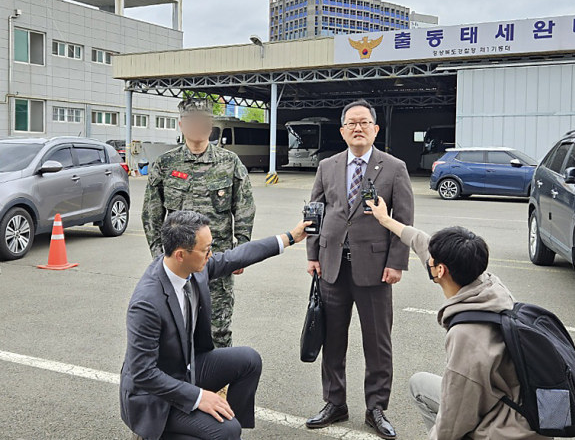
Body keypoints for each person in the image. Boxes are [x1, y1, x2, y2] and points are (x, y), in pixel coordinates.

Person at [365, 197, 549, 440]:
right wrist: (385, 220)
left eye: (432, 261)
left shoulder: (466, 335)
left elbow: (454, 418)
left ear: (440, 271)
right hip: (521, 409)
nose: (427, 260)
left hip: (506, 432)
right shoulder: (490, 286)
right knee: (420, 383)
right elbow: (421, 241)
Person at [121, 210, 310, 440]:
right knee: (226, 431)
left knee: (248, 361)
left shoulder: (193, 270)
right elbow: (143, 373)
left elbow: (237, 256)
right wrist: (199, 397)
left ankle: (221, 428)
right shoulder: (147, 303)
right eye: (206, 250)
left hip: (185, 369)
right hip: (154, 398)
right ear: (180, 254)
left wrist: (290, 237)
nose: (211, 255)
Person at [305, 99, 414, 439]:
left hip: (376, 269)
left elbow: (404, 218)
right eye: (351, 123)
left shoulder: (393, 167)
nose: (357, 128)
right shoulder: (328, 166)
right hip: (332, 268)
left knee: (377, 344)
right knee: (332, 341)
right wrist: (313, 254)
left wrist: (397, 262)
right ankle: (334, 402)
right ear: (342, 130)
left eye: (364, 122)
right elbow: (315, 212)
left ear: (375, 129)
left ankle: (376, 408)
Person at [142, 97, 255, 349]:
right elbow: (151, 213)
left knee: (219, 327)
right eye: (191, 121)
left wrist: (241, 251)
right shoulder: (165, 164)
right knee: (177, 324)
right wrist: (159, 255)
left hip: (218, 260)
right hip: (178, 261)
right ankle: (185, 383)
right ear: (181, 125)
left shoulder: (229, 163)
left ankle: (219, 383)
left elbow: (244, 206)